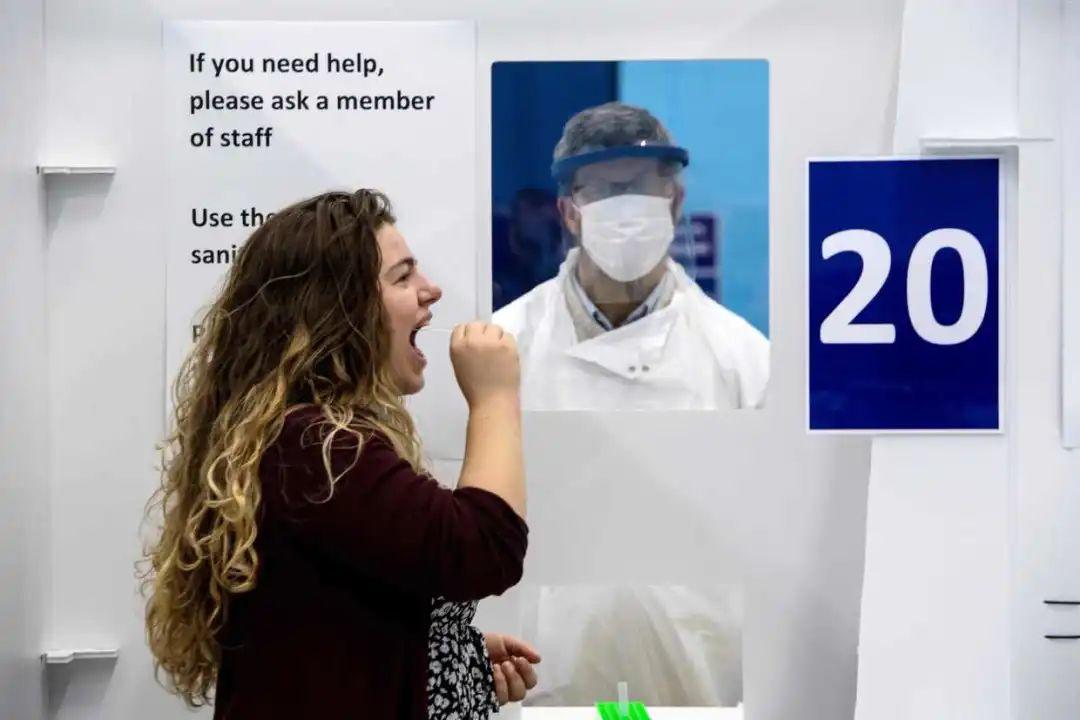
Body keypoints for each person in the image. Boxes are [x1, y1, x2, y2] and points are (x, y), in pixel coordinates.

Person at [141, 189, 540, 720]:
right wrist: (495, 397)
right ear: (341, 310)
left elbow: (329, 624)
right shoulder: (315, 449)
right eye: (403, 277)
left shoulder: (303, 442)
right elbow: (483, 550)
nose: (431, 290)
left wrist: (438, 652)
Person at [493, 101, 769, 410]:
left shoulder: (744, 362)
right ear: (569, 213)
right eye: (602, 189)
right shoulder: (505, 348)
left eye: (641, 187)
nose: (624, 208)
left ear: (675, 202)